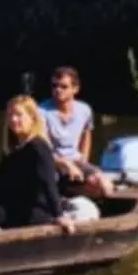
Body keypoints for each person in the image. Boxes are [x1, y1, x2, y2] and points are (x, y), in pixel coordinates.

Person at [0, 96, 75, 234]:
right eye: (10, 115)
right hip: (6, 206)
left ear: (32, 117)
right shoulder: (11, 149)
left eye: (19, 115)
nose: (13, 119)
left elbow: (48, 183)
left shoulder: (38, 147)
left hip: (29, 212)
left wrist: (59, 215)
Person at [40, 66, 114, 199]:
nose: (58, 90)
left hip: (75, 159)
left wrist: (83, 159)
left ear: (75, 89)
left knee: (104, 184)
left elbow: (86, 133)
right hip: (53, 163)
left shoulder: (84, 110)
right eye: (55, 86)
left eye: (64, 86)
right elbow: (43, 147)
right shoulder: (42, 112)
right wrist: (65, 164)